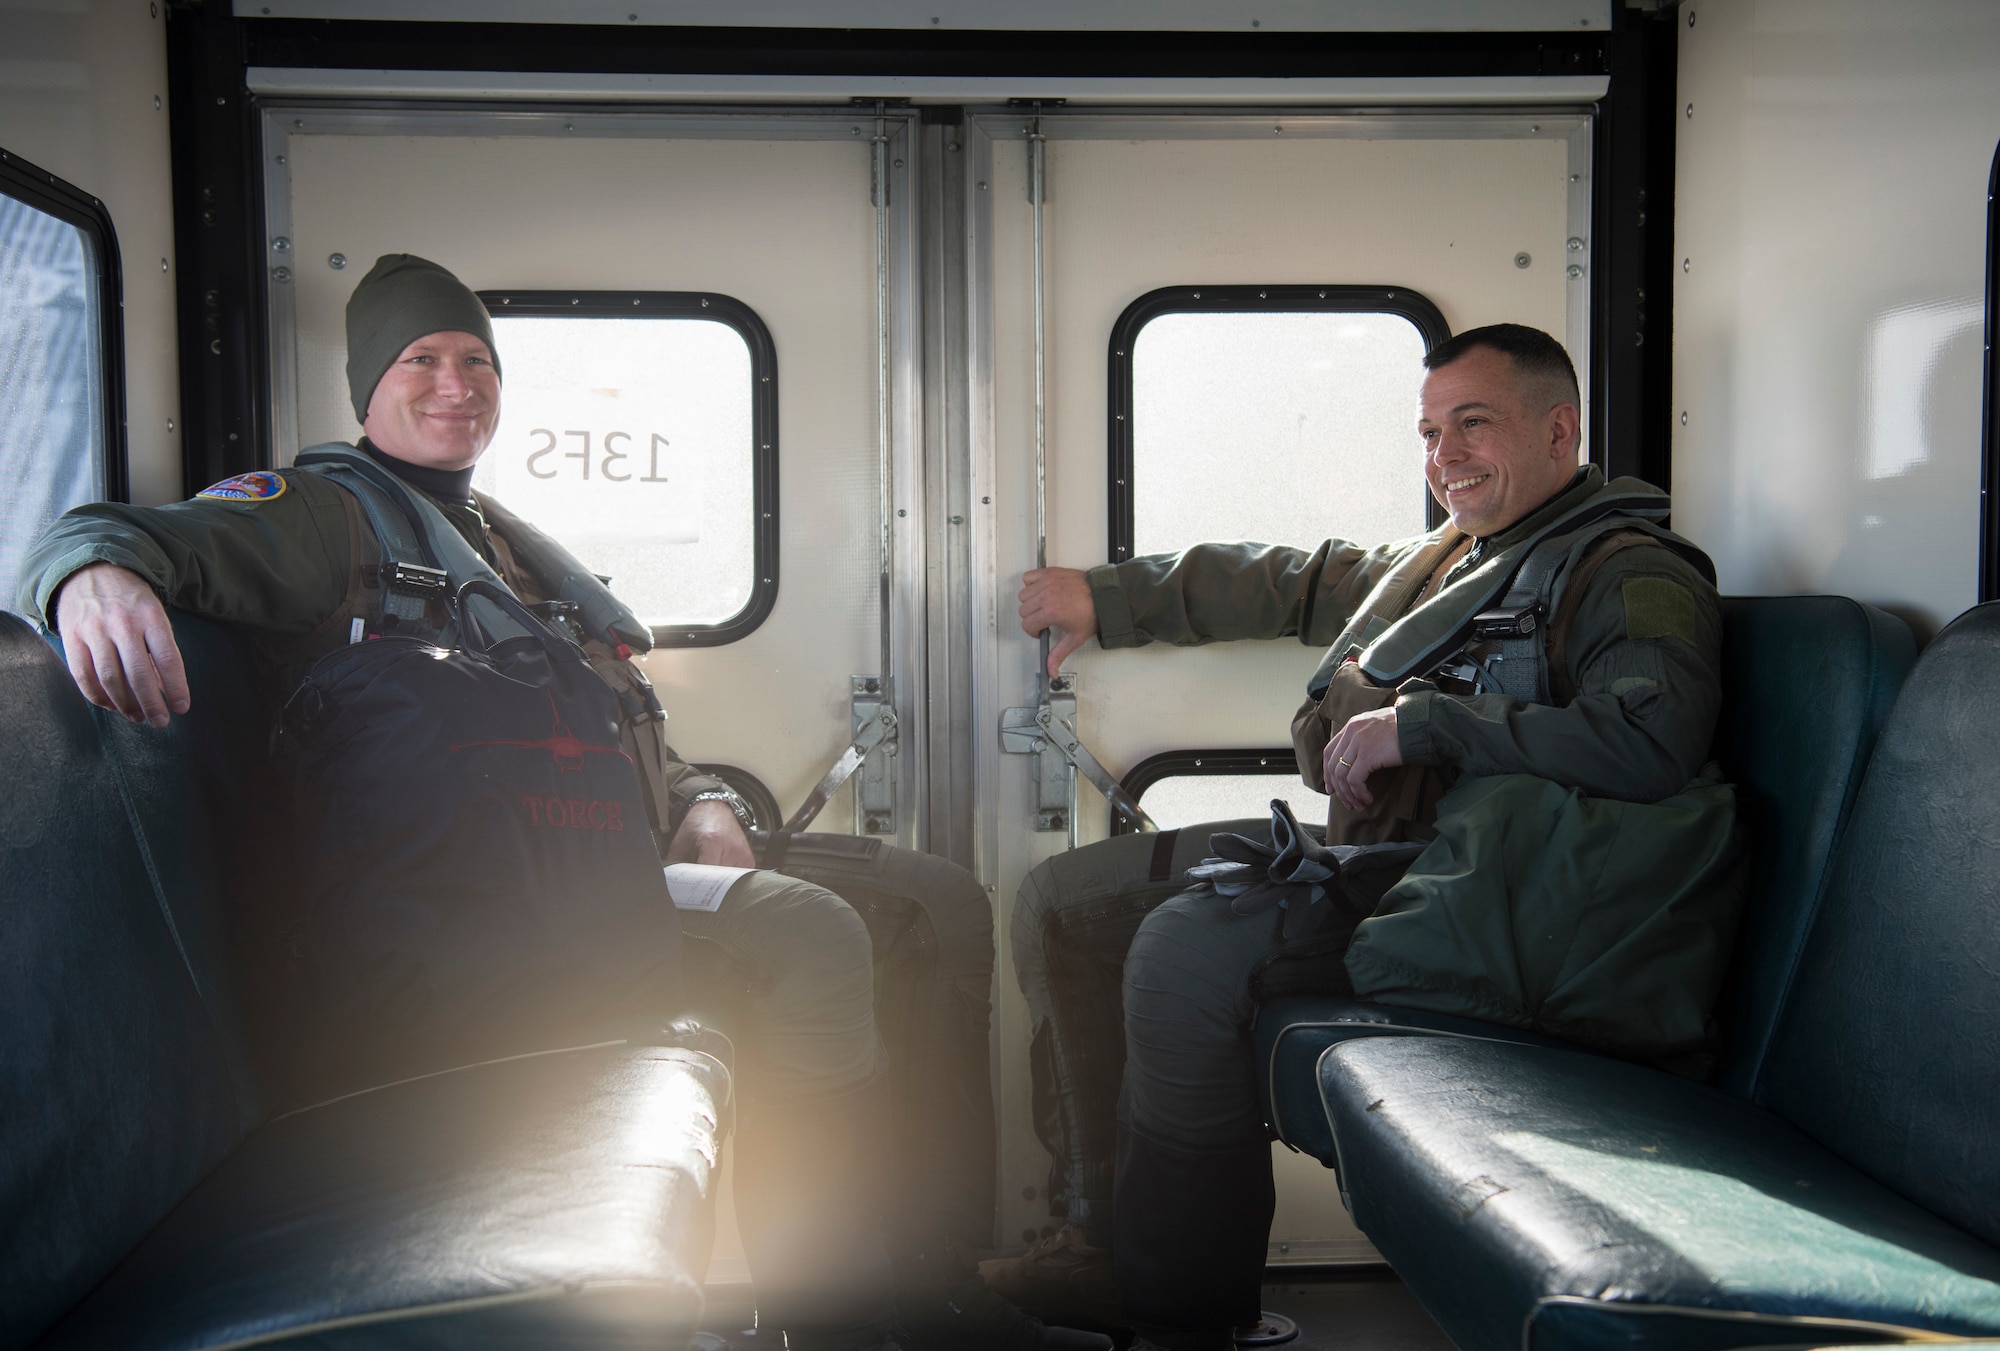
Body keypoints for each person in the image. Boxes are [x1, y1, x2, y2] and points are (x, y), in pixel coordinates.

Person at [18, 254, 1108, 1351]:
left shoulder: (503, 544)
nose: (456, 384)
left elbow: (610, 720)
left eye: (477, 361)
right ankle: (854, 1311)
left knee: (936, 901)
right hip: (500, 897)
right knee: (816, 933)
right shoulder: (322, 516)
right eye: (422, 360)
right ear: (366, 389)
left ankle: (935, 1267)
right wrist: (90, 574)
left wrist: (699, 802)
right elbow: (121, 538)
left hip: (617, 851)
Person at [990, 325, 1735, 1351]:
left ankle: (1182, 1306)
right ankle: (1099, 1236)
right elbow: (1294, 577)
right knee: (1060, 903)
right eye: (1429, 432)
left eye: (1472, 423)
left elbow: (1653, 739)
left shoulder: (1622, 571)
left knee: (1183, 945)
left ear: (1558, 429)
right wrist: (1104, 598)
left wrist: (1426, 724)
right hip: (1390, 863)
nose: (1444, 455)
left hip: (1489, 889)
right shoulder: (1447, 561)